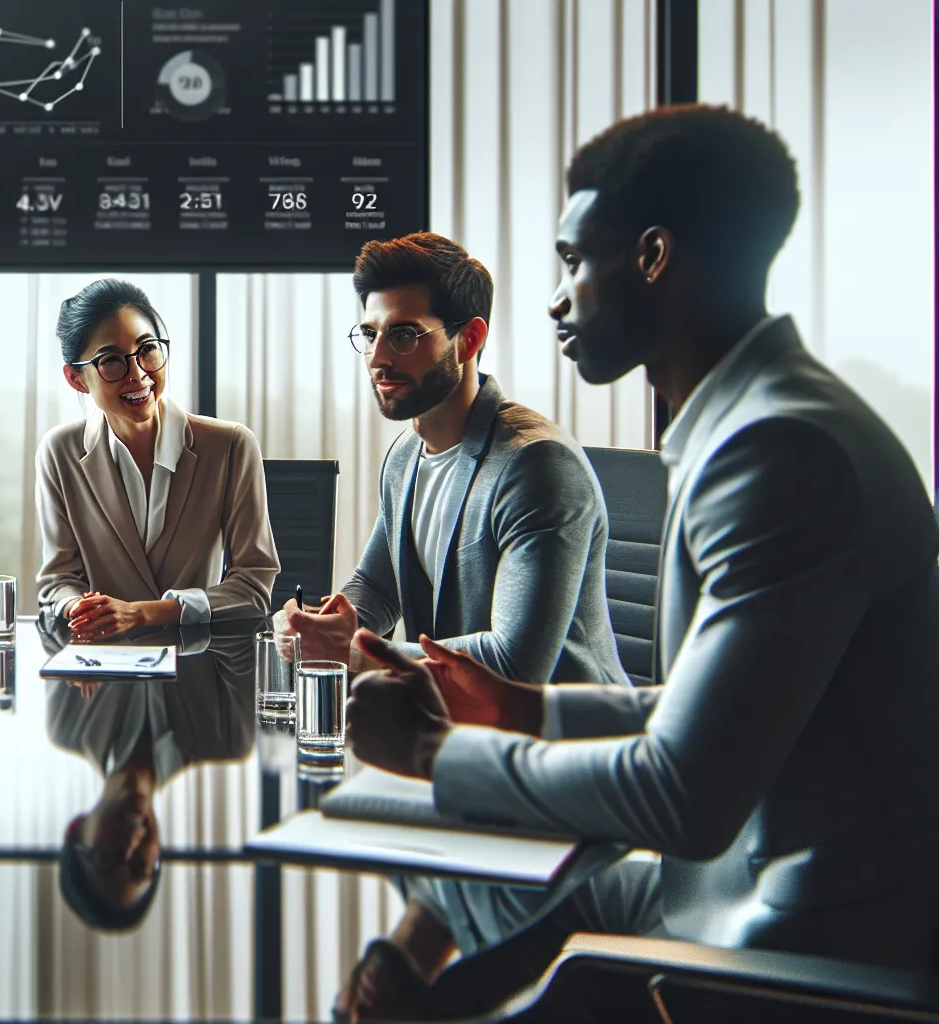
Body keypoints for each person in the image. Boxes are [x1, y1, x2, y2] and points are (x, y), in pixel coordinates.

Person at [345, 105, 939, 1021]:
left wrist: (434, 750)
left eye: (574, 262)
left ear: (654, 257)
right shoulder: (757, 423)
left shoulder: (780, 454)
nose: (556, 300)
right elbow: (709, 708)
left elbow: (683, 791)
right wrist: (523, 710)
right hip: (718, 884)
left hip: (791, 944)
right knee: (478, 912)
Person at [269, 233, 628, 1010]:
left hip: (553, 774)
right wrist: (331, 619)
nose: (378, 356)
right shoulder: (406, 457)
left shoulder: (535, 465)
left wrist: (359, 653)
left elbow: (515, 661)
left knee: (427, 999)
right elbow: (377, 584)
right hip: (455, 760)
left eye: (404, 334)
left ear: (468, 339)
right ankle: (406, 969)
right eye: (370, 333)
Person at [36, 278, 279, 639]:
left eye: (147, 349)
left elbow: (253, 589)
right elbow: (58, 581)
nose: (138, 374)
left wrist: (141, 614)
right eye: (111, 361)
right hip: (103, 661)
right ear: (76, 378)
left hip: (198, 661)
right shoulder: (59, 451)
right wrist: (80, 608)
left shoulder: (231, 446)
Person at [44, 624, 255, 931]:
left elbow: (54, 621)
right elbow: (253, 627)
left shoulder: (67, 725)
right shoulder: (227, 738)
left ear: (75, 831)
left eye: (109, 857)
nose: (131, 843)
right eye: (140, 866)